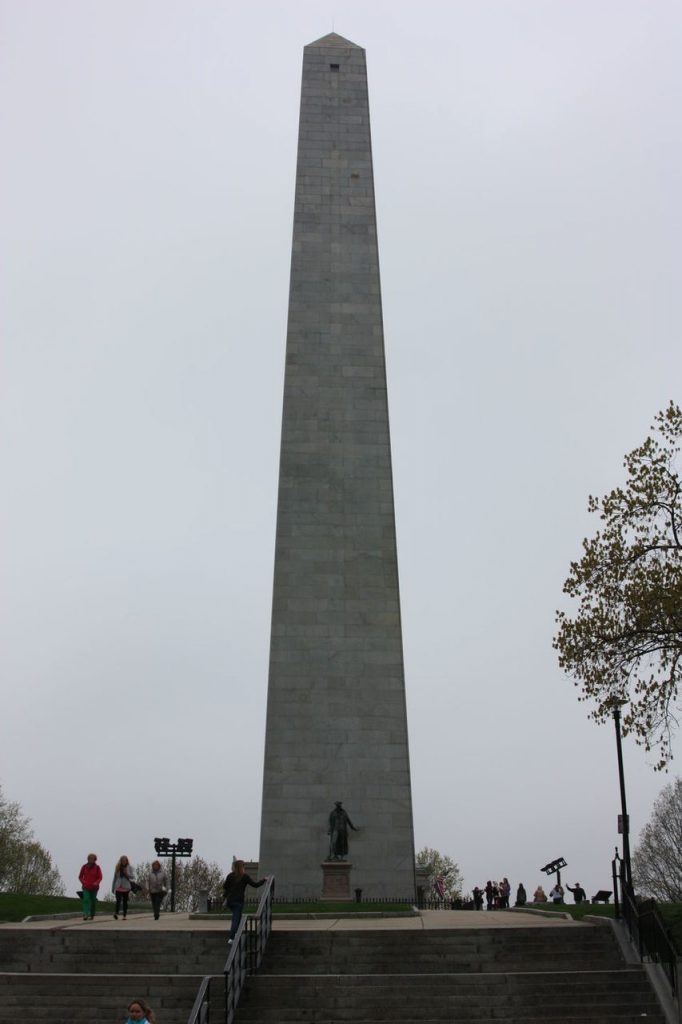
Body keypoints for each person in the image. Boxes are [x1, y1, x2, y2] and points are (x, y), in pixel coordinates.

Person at [222, 859, 267, 943]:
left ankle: (236, 934)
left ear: (234, 867)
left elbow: (225, 887)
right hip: (238, 901)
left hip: (230, 901)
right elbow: (255, 885)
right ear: (242, 867)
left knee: (237, 917)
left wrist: (225, 898)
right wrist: (264, 880)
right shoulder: (244, 876)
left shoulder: (230, 876)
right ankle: (231, 938)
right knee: (236, 918)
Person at [78, 852, 102, 920]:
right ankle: (85, 914)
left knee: (93, 901)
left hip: (94, 888)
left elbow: (100, 877)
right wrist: (83, 882)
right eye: (89, 858)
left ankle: (92, 914)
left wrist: (96, 882)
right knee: (86, 899)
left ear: (95, 860)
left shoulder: (97, 867)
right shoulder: (84, 867)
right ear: (87, 859)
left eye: (92, 859)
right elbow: (80, 877)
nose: (91, 860)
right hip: (86, 887)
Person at [112, 855, 136, 920]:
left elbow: (133, 877)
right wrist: (113, 887)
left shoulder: (130, 867)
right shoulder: (118, 867)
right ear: (120, 861)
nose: (123, 862)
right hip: (118, 886)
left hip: (126, 887)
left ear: (127, 861)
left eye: (125, 860)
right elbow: (115, 878)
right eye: (122, 860)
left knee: (125, 901)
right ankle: (116, 913)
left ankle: (124, 915)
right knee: (118, 900)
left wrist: (127, 874)